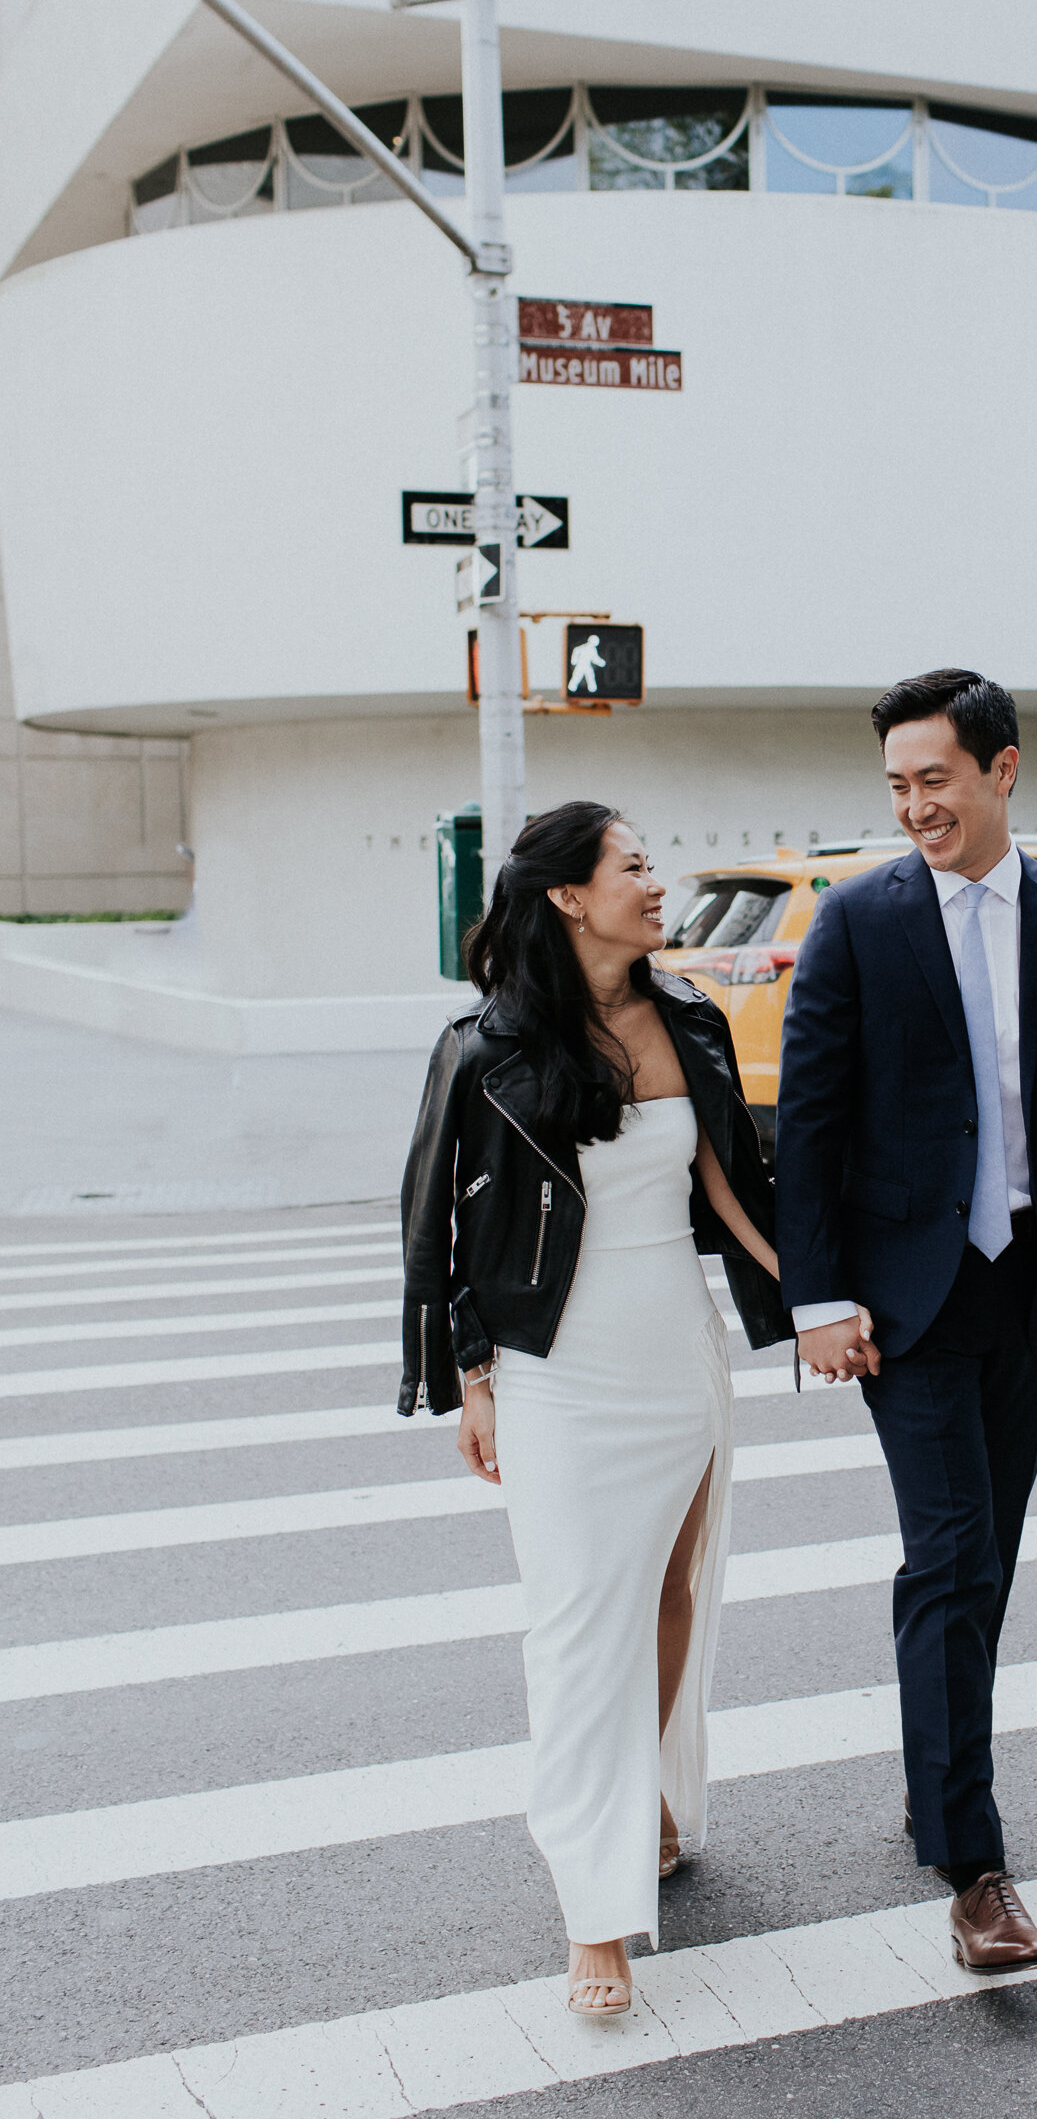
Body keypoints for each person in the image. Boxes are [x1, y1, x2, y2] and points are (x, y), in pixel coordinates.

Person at [776, 670, 1037, 1973]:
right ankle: (975, 1868)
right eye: (895, 786)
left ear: (1003, 771)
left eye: (932, 779)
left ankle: (934, 1778)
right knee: (948, 1560)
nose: (913, 808)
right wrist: (817, 1296)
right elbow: (813, 1121)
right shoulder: (857, 922)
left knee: (986, 1563)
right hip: (908, 1301)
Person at [398, 802, 789, 2019]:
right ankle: (597, 1915)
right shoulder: (484, 1045)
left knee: (670, 1594)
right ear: (570, 895)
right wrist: (470, 1375)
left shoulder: (688, 1018)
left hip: (677, 1351)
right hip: (554, 1364)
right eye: (634, 866)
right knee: (576, 1627)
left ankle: (658, 1803)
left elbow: (731, 1187)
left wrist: (821, 1300)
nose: (656, 882)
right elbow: (438, 1229)